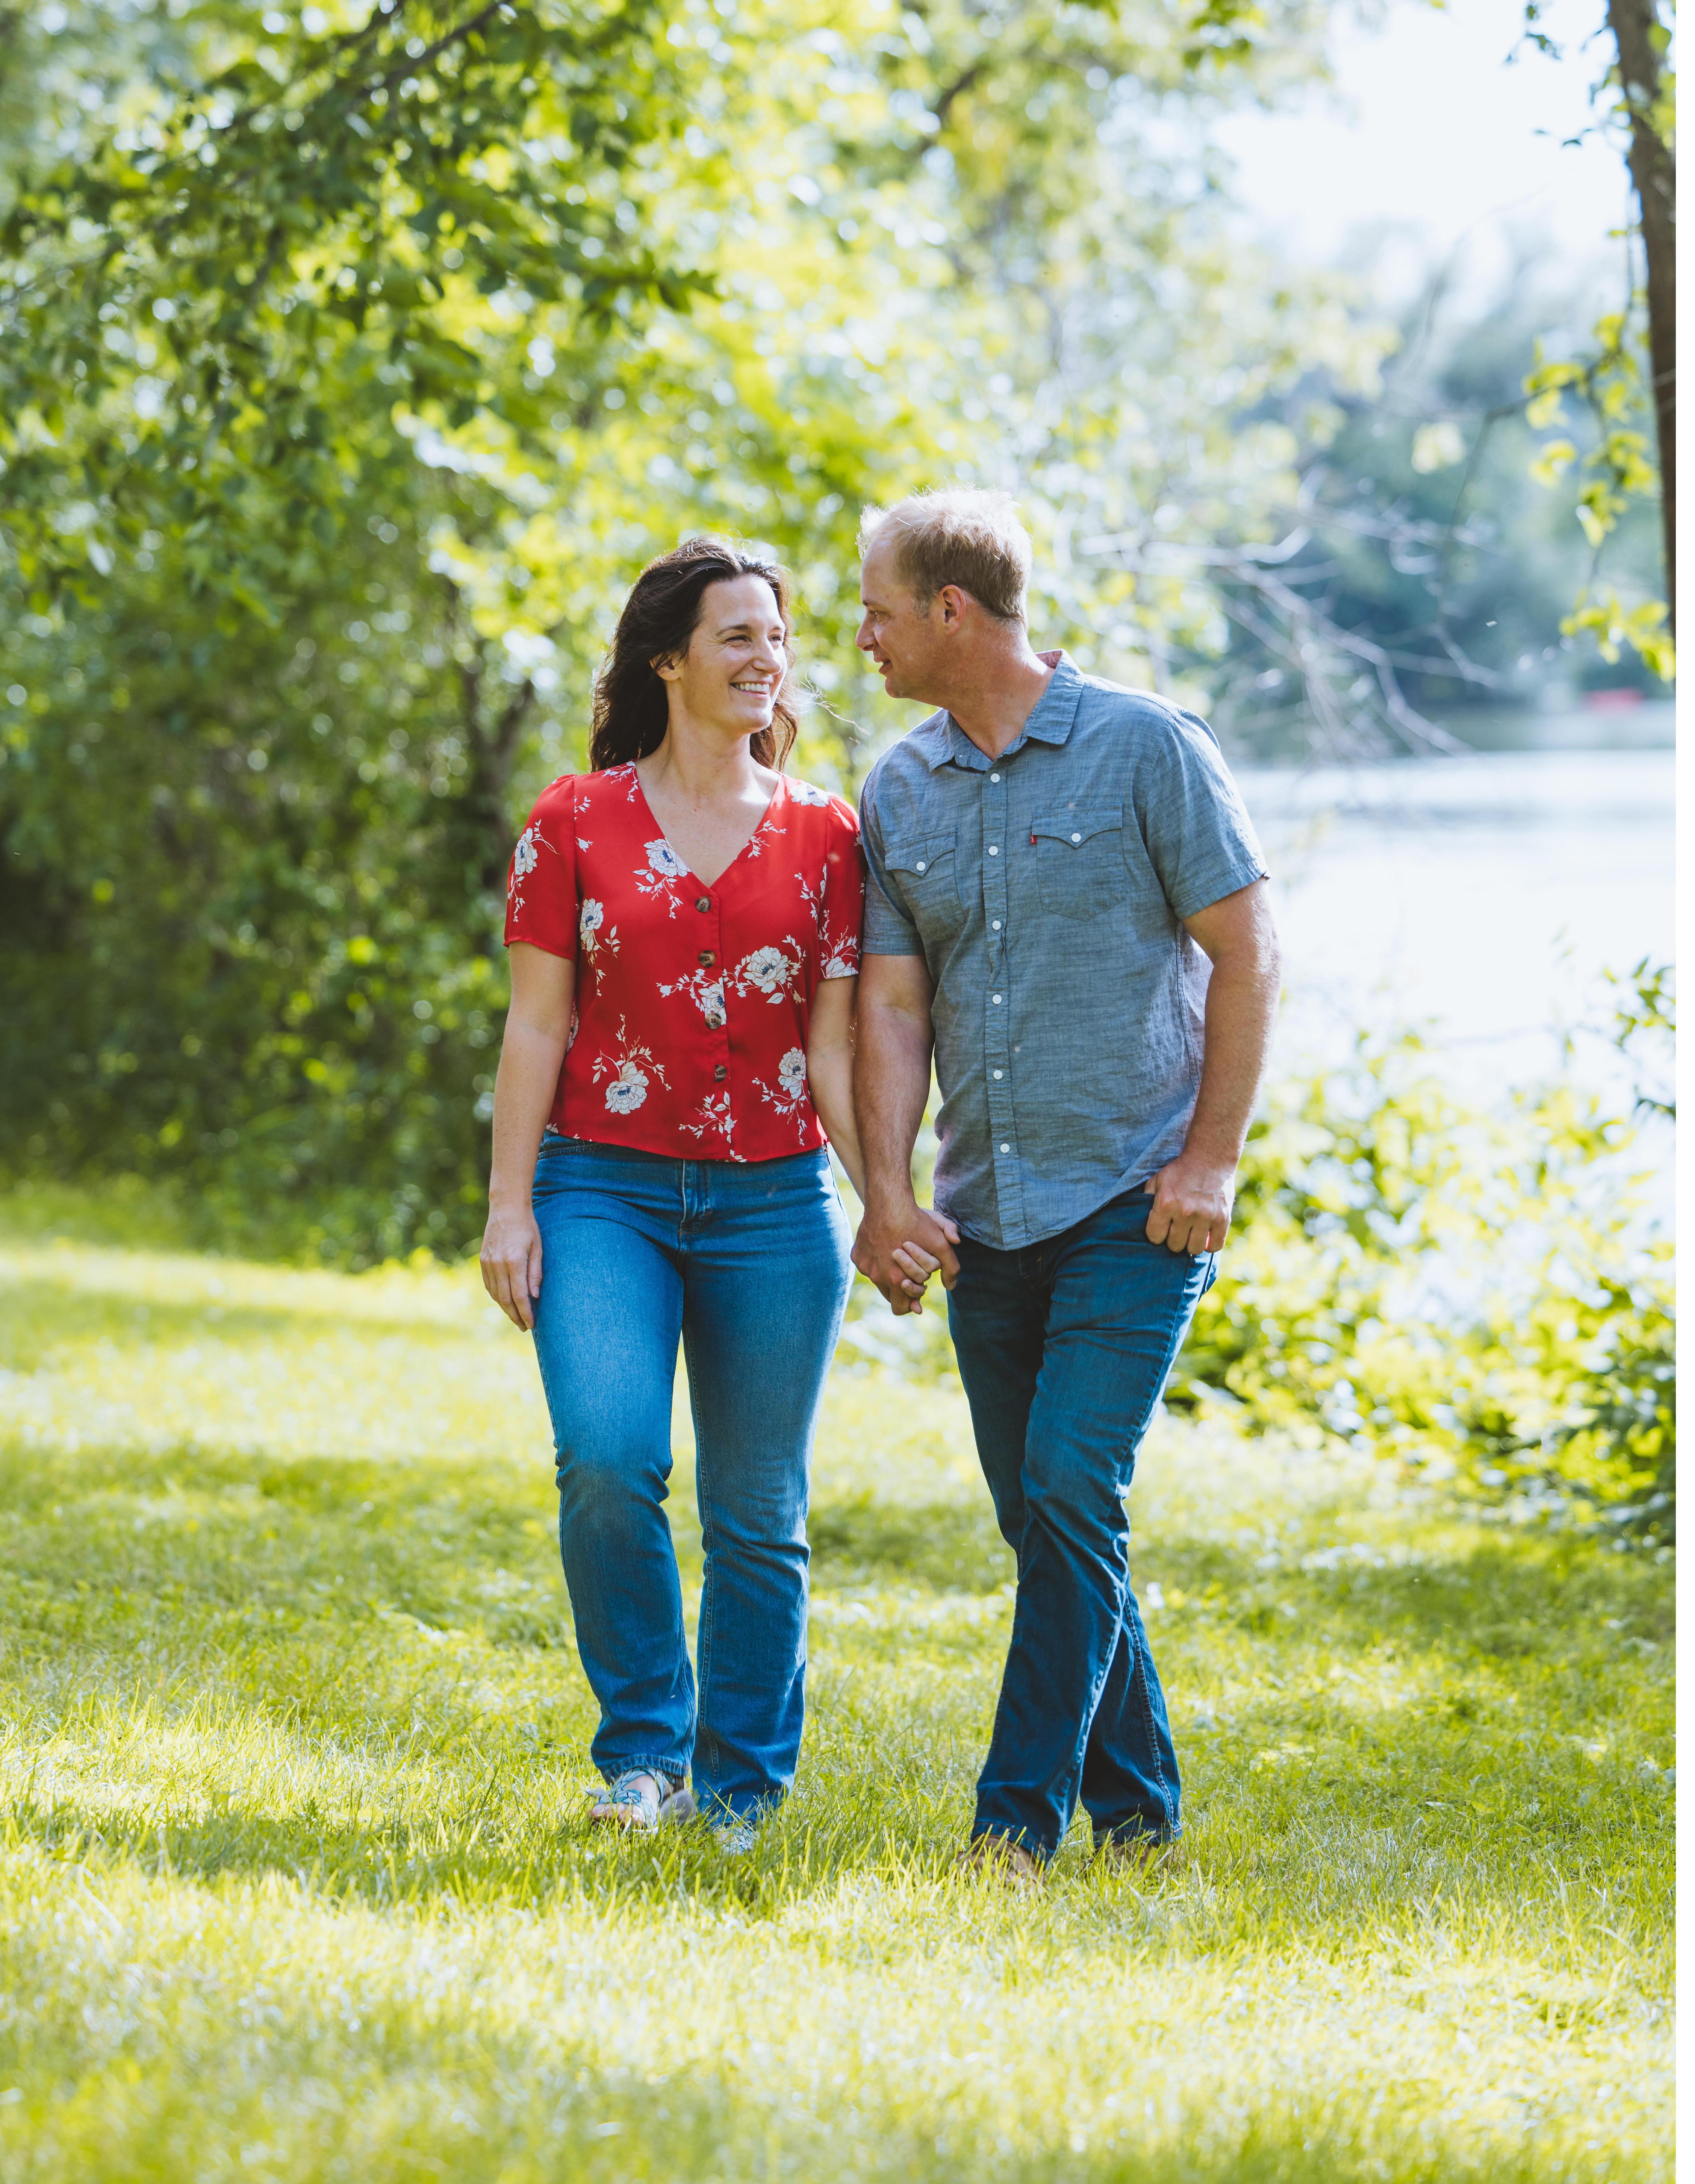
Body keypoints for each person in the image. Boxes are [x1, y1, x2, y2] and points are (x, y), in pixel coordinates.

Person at [848, 488, 1282, 1884]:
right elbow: (897, 1011)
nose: (861, 634)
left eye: (879, 608)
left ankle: (1011, 1828)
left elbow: (1250, 952)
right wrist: (893, 1191)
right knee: (1047, 1519)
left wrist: (1211, 1160)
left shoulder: (1148, 747)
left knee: (1072, 1487)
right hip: (988, 1215)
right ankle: (1143, 1815)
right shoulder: (898, 788)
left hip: (1134, 1203)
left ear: (954, 613)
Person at [479, 536, 869, 1852]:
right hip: (603, 1191)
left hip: (775, 1204)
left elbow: (831, 1044)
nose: (767, 661)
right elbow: (537, 1029)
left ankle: (743, 1784)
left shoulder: (828, 833)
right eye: (738, 638)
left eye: (778, 638)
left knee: (759, 1510)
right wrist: (509, 1205)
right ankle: (646, 1753)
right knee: (606, 1461)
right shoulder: (571, 820)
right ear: (670, 660)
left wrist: (887, 1199)